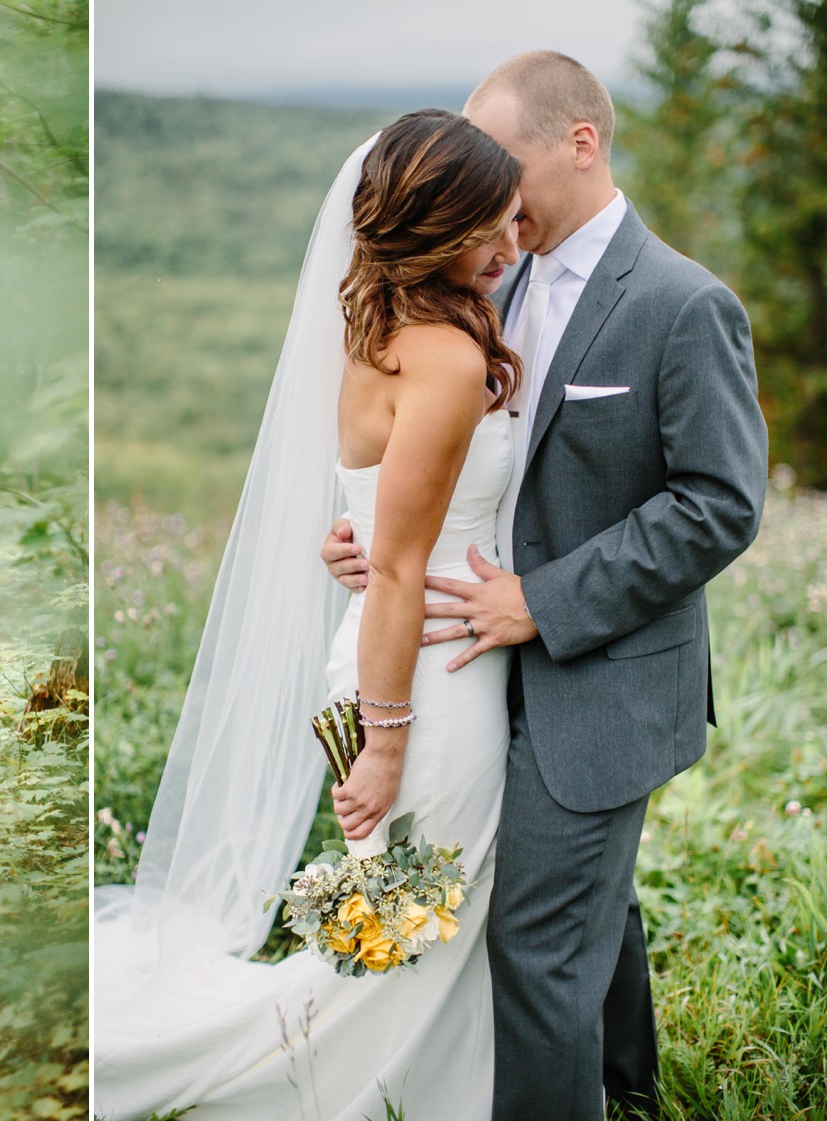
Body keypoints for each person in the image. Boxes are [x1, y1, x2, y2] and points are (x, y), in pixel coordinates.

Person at [323, 53, 767, 1120]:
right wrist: (377, 535)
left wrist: (545, 599)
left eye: (507, 160)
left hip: (601, 675)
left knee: (537, 939)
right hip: (469, 673)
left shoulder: (683, 303)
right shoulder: (486, 275)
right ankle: (625, 1090)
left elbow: (721, 502)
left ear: (581, 143)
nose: (496, 194)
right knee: (586, 914)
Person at [95, 110, 524, 1120]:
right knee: (429, 910)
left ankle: (421, 1083)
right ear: (439, 227)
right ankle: (365, 1088)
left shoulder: (382, 333)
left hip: (398, 646)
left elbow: (375, 527)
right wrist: (382, 740)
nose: (513, 246)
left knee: (425, 908)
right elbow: (403, 562)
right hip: (425, 676)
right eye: (493, 227)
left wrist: (363, 554)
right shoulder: (448, 357)